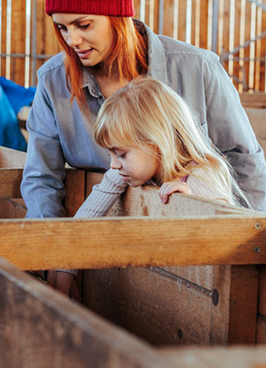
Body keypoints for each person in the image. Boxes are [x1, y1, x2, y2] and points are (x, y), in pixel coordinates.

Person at [21, 0, 266, 221]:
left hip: (196, 240)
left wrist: (253, 242)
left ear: (117, 18)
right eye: (62, 28)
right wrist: (49, 250)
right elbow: (42, 177)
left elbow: (243, 160)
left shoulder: (198, 68)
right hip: (98, 243)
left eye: (83, 25)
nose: (71, 41)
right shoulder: (53, 81)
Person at [49, 76, 244, 296]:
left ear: (156, 143)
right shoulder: (124, 171)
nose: (113, 164)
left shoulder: (203, 173)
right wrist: (64, 271)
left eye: (121, 154)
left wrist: (192, 202)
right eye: (111, 154)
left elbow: (229, 230)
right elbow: (85, 220)